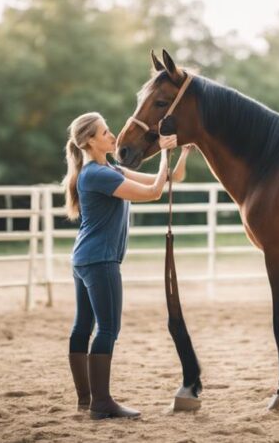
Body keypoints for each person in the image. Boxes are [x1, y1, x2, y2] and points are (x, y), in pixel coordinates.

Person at [61, 112, 190, 419]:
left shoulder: (108, 169)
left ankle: (86, 398)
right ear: (90, 141)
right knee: (107, 328)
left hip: (85, 259)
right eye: (105, 132)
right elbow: (154, 192)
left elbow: (172, 179)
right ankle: (101, 403)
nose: (113, 136)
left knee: (84, 326)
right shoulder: (98, 175)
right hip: (100, 260)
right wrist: (161, 151)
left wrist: (178, 152)